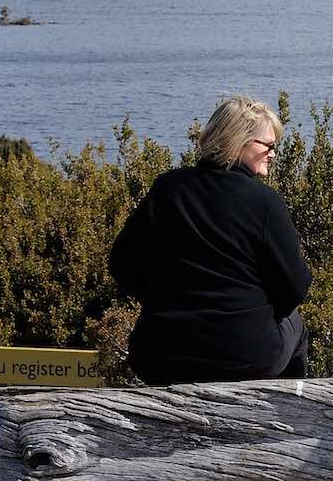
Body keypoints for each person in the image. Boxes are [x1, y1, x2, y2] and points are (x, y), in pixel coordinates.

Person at [108, 95, 311, 383]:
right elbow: (295, 287)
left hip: (160, 353)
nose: (274, 154)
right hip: (246, 356)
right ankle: (289, 417)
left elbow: (122, 264)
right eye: (268, 145)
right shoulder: (264, 203)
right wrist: (256, 311)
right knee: (296, 325)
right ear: (238, 141)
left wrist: (163, 300)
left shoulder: (168, 188)